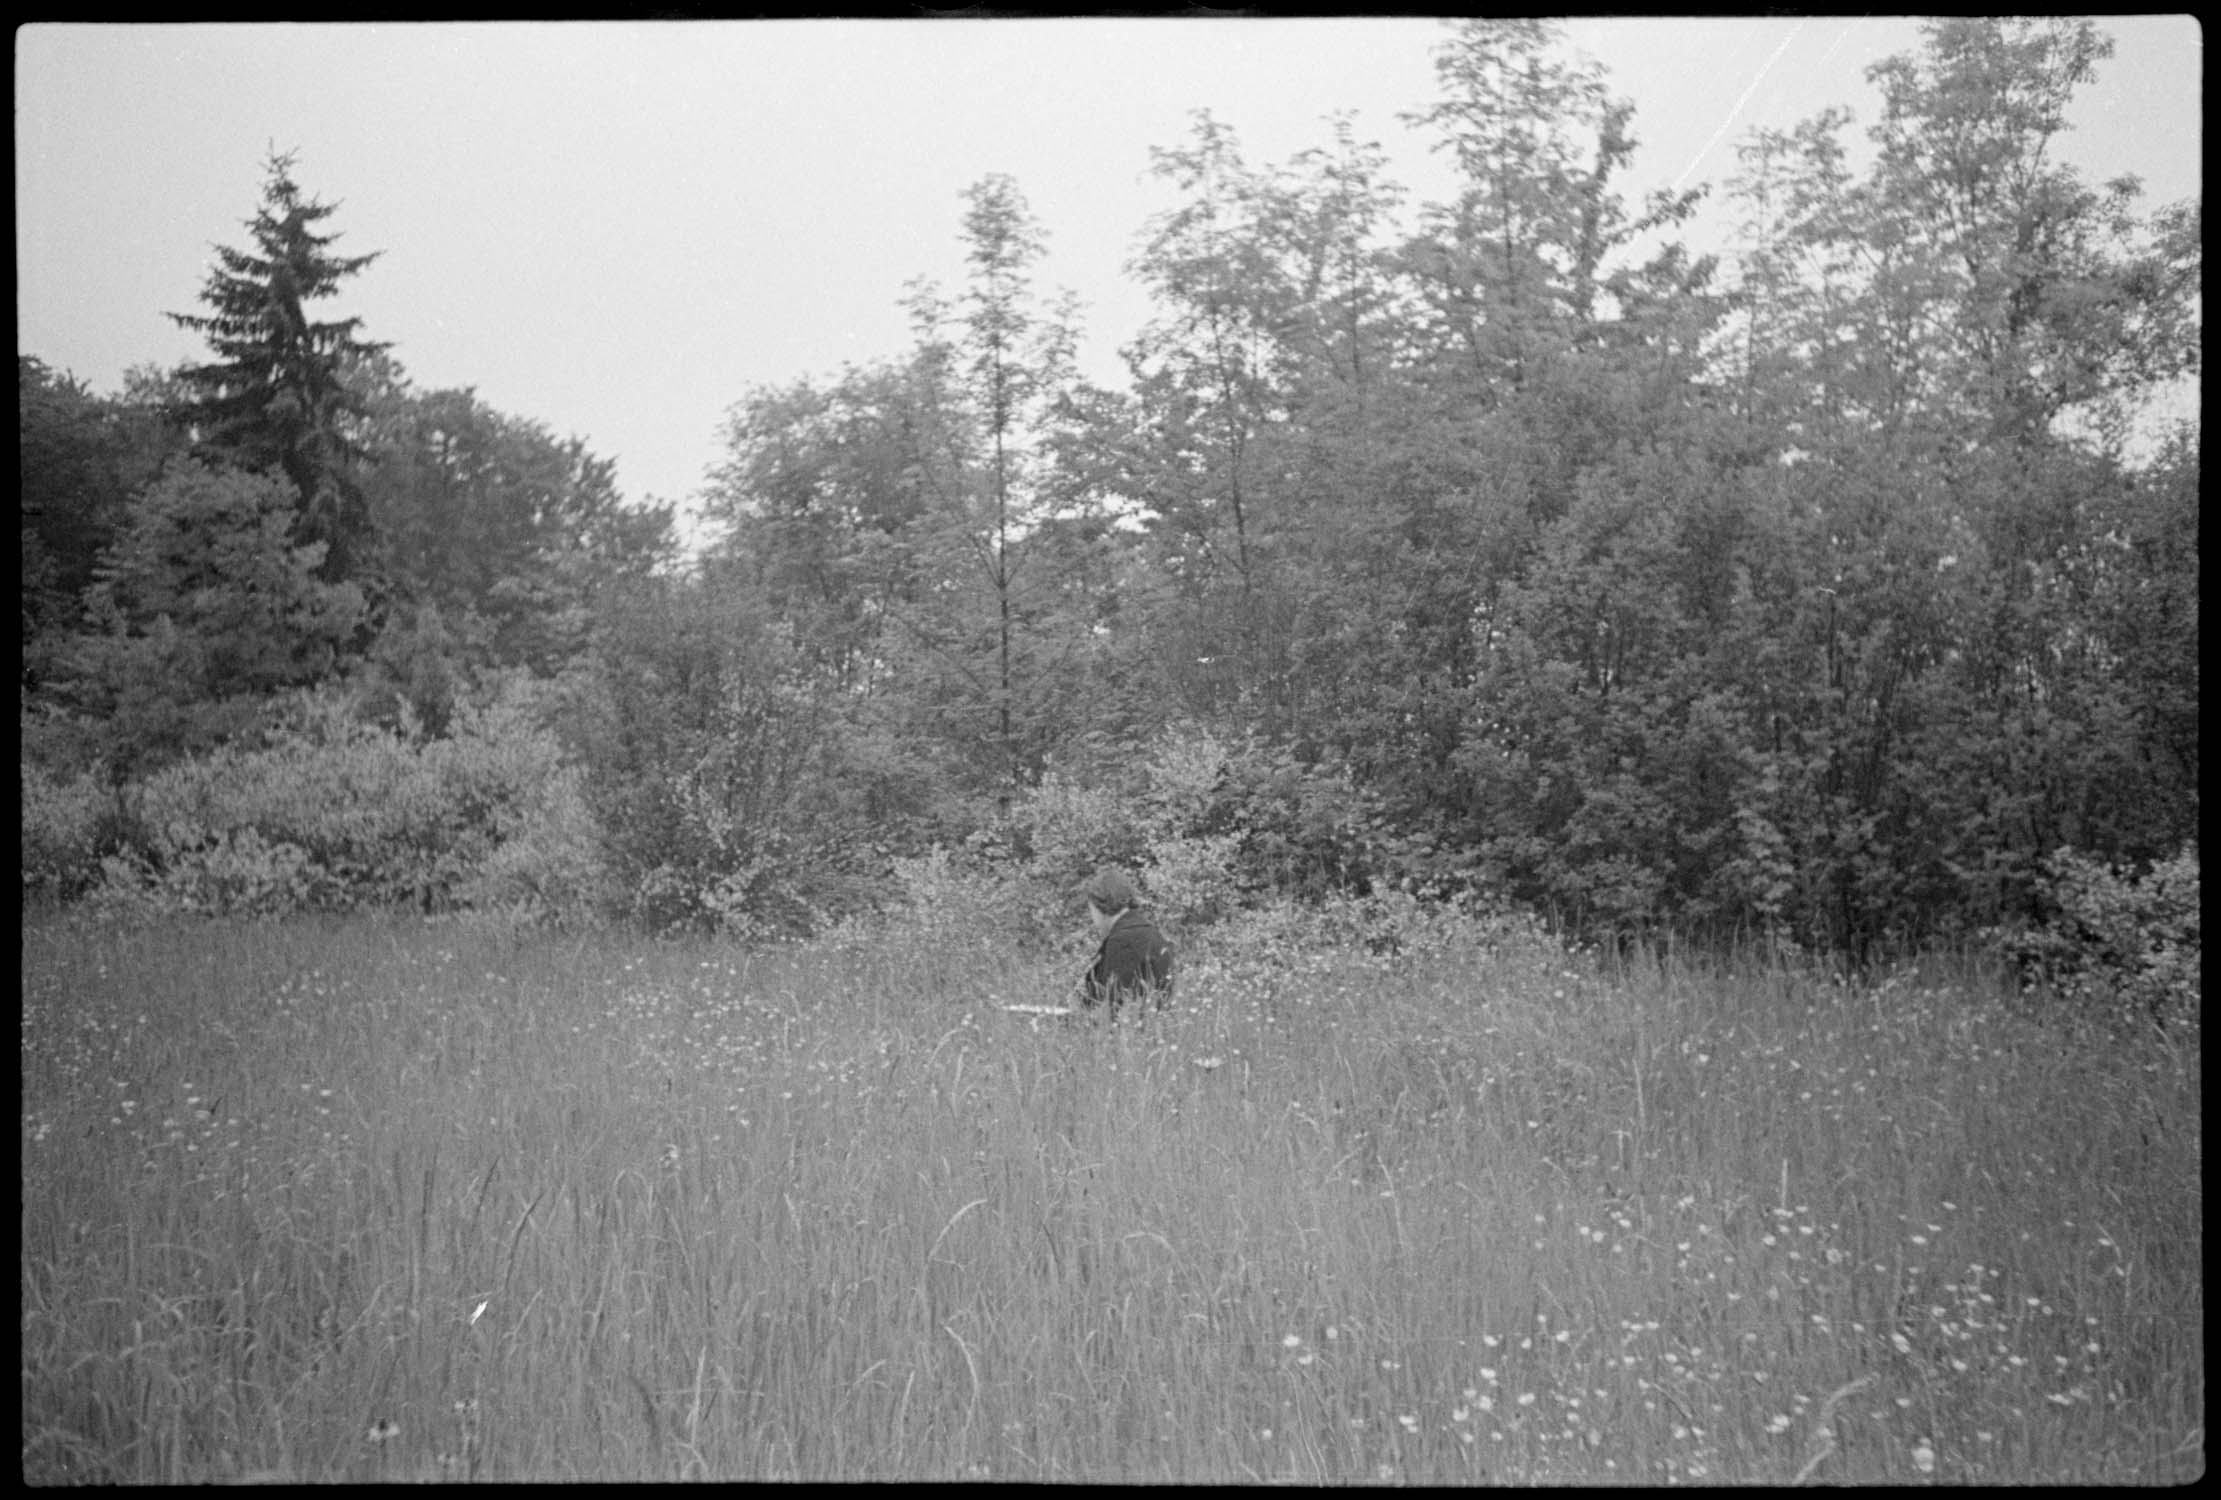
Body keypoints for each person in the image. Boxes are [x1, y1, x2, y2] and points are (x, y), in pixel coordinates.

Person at [1075, 867, 1175, 1015]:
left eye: (1092, 910)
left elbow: (1113, 1008)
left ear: (1099, 906)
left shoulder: (1124, 942)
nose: (1093, 919)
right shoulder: (1149, 932)